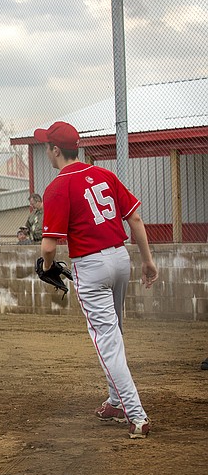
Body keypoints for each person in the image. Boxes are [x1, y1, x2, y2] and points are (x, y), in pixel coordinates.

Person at [35, 121, 158, 439]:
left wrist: (47, 266)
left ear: (56, 150)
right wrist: (147, 260)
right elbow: (135, 218)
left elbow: (49, 246)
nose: (46, 151)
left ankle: (137, 415)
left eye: (47, 146)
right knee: (114, 332)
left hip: (91, 266)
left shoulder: (58, 186)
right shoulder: (104, 174)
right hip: (121, 259)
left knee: (107, 341)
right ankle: (117, 402)